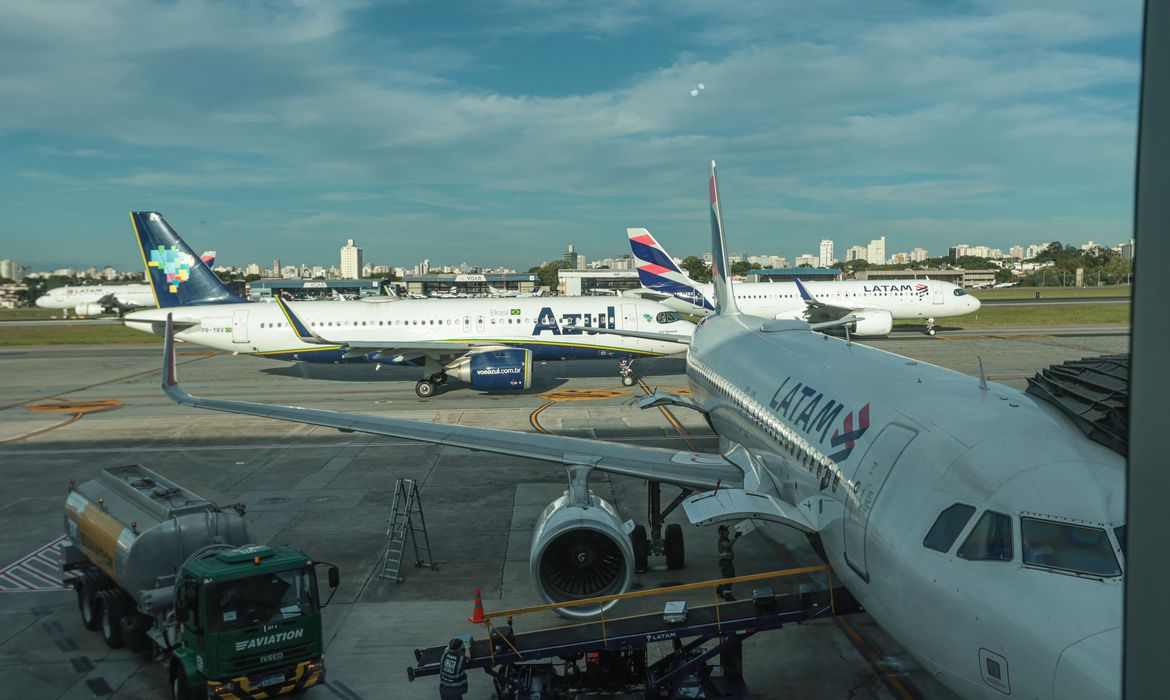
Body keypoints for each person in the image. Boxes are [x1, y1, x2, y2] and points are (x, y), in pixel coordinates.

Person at [716, 524, 742, 601]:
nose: (728, 531)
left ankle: (720, 589)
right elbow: (729, 545)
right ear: (721, 532)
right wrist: (736, 537)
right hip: (725, 562)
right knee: (729, 578)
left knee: (730, 577)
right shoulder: (722, 540)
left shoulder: (725, 539)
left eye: (727, 530)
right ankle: (727, 595)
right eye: (725, 530)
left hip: (727, 562)